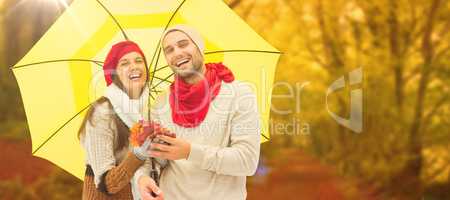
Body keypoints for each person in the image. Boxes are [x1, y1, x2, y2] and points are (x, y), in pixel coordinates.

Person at [136, 25, 261, 200]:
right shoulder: (160, 103)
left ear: (199, 47)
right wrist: (143, 177)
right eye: (169, 50)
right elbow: (153, 159)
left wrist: (189, 152)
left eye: (183, 44)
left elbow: (247, 161)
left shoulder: (239, 94)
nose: (177, 53)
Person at [78, 41, 163, 200]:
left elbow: (152, 162)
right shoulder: (103, 112)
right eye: (124, 63)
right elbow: (106, 184)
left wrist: (162, 148)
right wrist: (139, 153)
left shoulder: (148, 111)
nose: (134, 66)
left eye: (139, 61)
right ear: (114, 74)